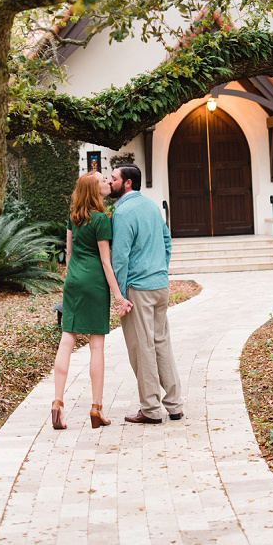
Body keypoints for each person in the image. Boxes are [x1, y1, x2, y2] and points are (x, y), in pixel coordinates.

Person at [51, 171, 132, 430]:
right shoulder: (101, 220)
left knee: (67, 340)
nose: (108, 182)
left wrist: (72, 277)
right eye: (103, 181)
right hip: (95, 283)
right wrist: (119, 297)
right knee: (96, 346)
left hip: (73, 281)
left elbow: (69, 254)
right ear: (95, 190)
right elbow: (106, 263)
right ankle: (96, 408)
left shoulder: (73, 217)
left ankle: (57, 403)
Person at [109, 163, 184, 423]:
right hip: (160, 286)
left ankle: (151, 410)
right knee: (161, 343)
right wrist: (161, 267)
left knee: (142, 348)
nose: (110, 183)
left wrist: (118, 296)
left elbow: (119, 257)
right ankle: (175, 405)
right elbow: (167, 240)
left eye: (114, 178)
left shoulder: (122, 213)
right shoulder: (152, 206)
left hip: (138, 289)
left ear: (127, 183)